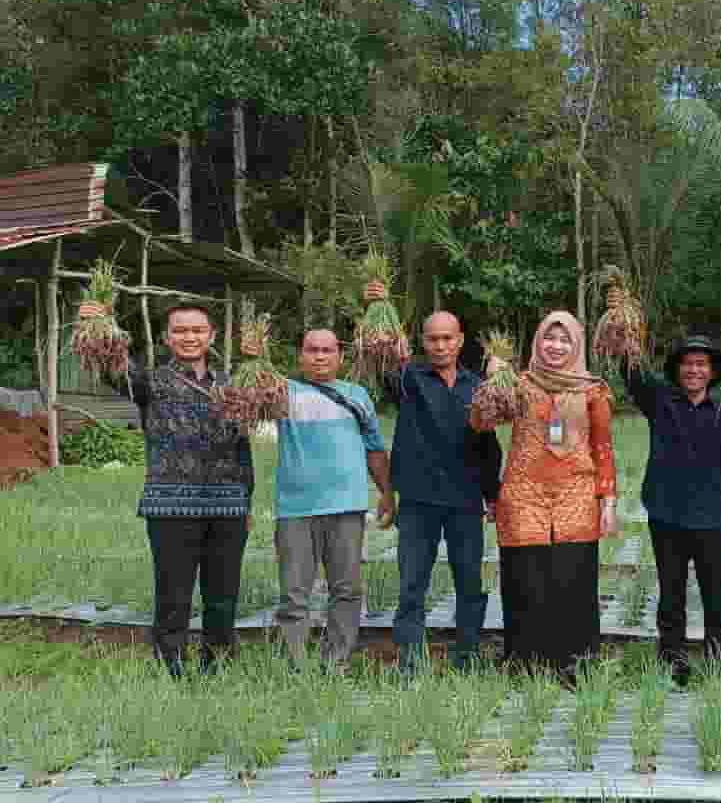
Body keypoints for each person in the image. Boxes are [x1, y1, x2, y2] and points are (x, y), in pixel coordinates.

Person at [85, 301, 253, 676]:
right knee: (173, 594)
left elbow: (243, 448)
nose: (188, 337)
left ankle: (218, 664)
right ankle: (169, 665)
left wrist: (248, 502)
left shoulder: (231, 386)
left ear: (211, 336)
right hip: (170, 507)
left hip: (227, 507)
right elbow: (113, 370)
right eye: (179, 330)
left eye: (196, 330)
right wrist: (98, 324)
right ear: (166, 337)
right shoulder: (152, 382)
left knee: (222, 596)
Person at [364, 278, 503, 673]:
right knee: (412, 584)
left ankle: (468, 657)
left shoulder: (479, 387)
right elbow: (380, 358)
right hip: (419, 500)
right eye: (433, 339)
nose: (440, 346)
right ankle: (410, 659)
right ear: (423, 342)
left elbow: (488, 446)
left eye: (448, 338)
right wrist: (378, 308)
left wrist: (492, 495)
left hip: (463, 500)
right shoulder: (408, 380)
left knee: (470, 585)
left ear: (460, 340)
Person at [477, 311, 617, 680]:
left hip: (577, 493)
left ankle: (575, 664)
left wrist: (609, 500)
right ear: (537, 342)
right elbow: (481, 423)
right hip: (524, 494)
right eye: (548, 339)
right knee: (525, 578)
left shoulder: (593, 390)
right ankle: (524, 663)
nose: (555, 346)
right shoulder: (519, 384)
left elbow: (603, 447)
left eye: (564, 339)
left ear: (576, 345)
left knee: (573, 579)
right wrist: (493, 381)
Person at [625, 334, 721, 685]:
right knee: (671, 592)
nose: (694, 370)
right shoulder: (661, 401)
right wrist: (626, 335)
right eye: (688, 364)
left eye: (701, 364)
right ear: (678, 369)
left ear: (711, 372)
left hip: (711, 518)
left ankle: (718, 660)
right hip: (667, 514)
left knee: (715, 594)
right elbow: (632, 375)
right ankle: (673, 660)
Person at [271, 329, 391, 668]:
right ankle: (294, 666)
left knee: (347, 590)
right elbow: (249, 392)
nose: (319, 357)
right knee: (294, 594)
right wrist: (256, 357)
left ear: (340, 356)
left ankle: (335, 662)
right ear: (300, 356)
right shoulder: (283, 393)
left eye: (327, 350)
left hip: (347, 507)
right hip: (296, 508)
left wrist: (387, 493)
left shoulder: (357, 396)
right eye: (312, 350)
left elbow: (375, 449)